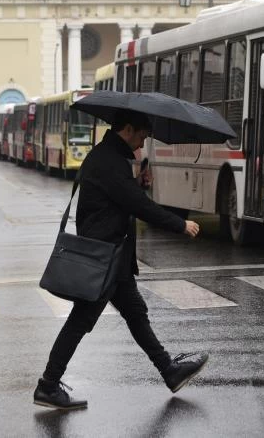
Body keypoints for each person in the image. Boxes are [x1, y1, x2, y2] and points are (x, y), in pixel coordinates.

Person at [34, 111, 208, 411]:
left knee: (136, 312)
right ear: (127, 129)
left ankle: (169, 370)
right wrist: (179, 224)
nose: (142, 144)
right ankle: (48, 385)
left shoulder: (108, 158)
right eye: (141, 136)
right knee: (80, 321)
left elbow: (119, 200)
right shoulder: (108, 162)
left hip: (113, 256)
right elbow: (136, 205)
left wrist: (138, 182)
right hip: (103, 258)